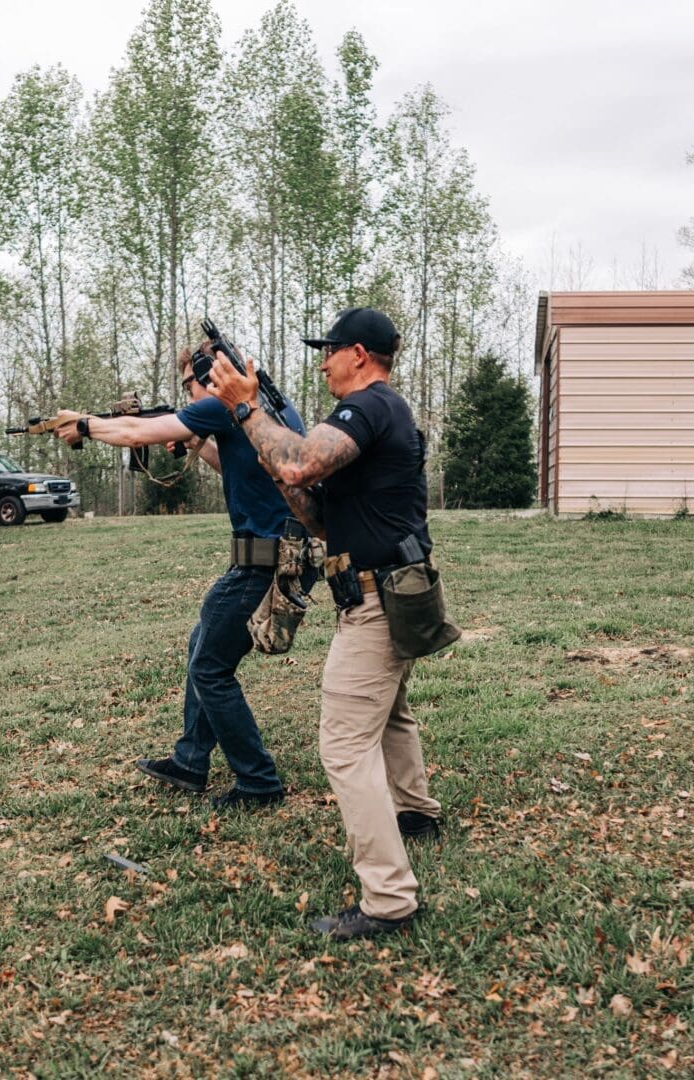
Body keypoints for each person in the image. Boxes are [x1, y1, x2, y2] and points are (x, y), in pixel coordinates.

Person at [206, 306, 441, 939]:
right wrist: (269, 454)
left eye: (330, 350)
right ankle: (416, 810)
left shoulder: (367, 408)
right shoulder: (379, 415)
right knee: (389, 711)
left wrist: (247, 410)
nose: (323, 361)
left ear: (360, 354)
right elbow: (314, 512)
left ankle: (389, 899)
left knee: (343, 745)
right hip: (391, 589)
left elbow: (298, 463)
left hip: (375, 598)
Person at [55, 344, 308, 809]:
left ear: (211, 379)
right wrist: (196, 440)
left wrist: (86, 425)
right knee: (203, 647)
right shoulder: (265, 406)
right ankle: (190, 760)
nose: (189, 397)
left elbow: (135, 429)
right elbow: (234, 461)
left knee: (210, 668)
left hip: (262, 559)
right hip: (277, 553)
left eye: (189, 386)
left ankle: (258, 783)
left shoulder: (223, 403)